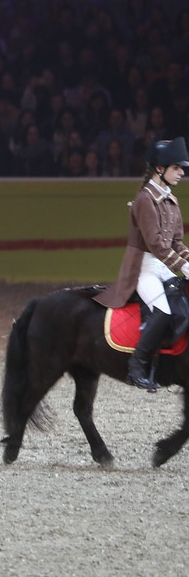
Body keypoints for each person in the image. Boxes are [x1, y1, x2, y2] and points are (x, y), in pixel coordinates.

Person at [95, 137, 189, 391]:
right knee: (163, 311)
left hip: (162, 267)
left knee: (182, 306)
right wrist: (183, 266)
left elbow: (177, 243)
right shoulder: (145, 199)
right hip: (144, 267)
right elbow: (157, 244)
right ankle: (137, 365)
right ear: (160, 169)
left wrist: (188, 260)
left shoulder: (171, 200)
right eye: (177, 168)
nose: (182, 172)